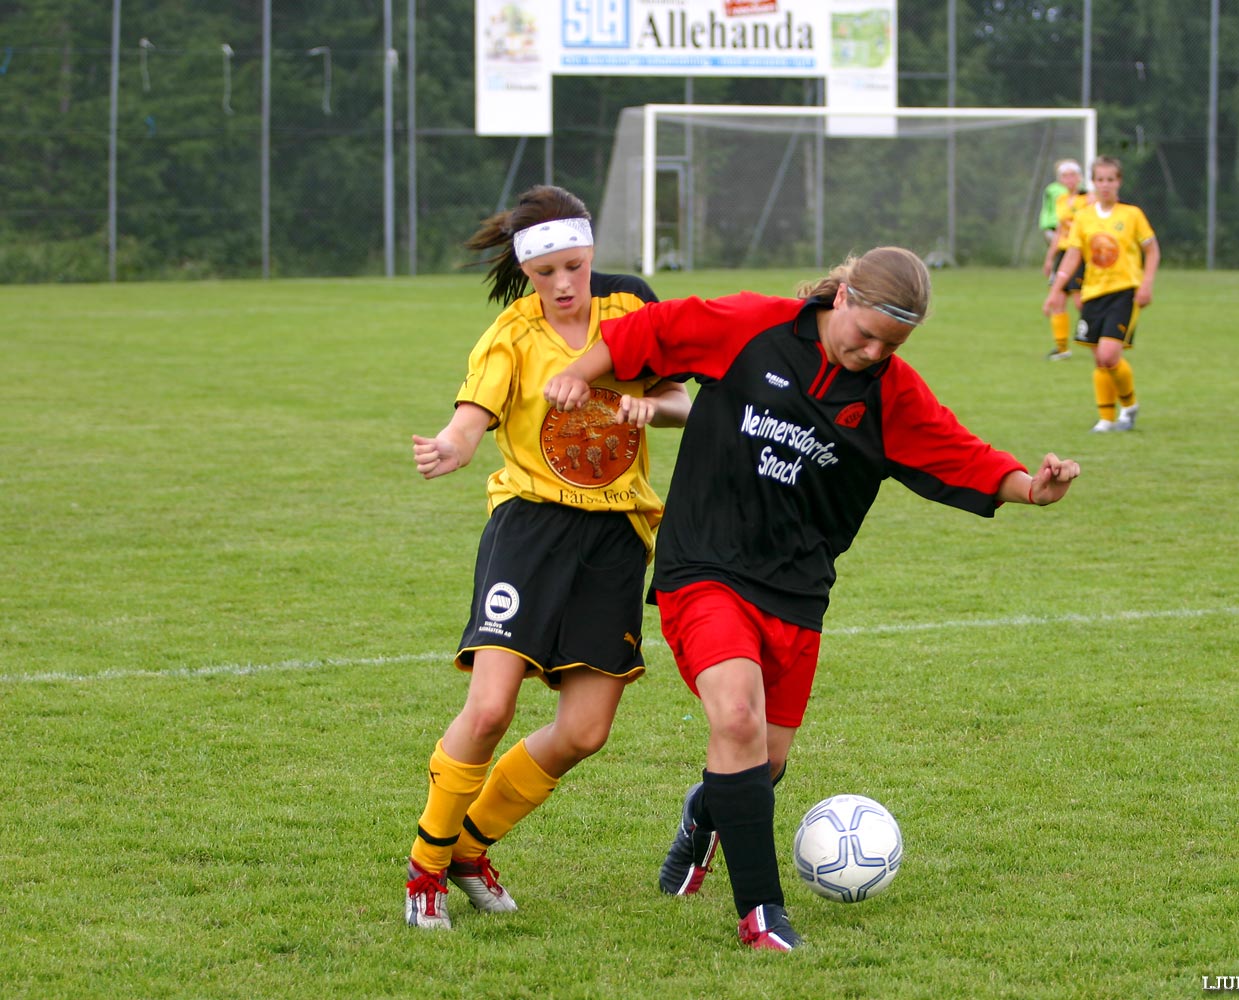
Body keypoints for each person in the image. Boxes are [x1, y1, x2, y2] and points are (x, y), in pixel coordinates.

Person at [543, 246, 1081, 951]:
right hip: (703, 563)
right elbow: (649, 333)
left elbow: (959, 454)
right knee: (735, 716)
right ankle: (762, 915)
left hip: (797, 589)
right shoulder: (751, 326)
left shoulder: (891, 393)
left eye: (891, 345)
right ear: (844, 296)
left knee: (762, 763)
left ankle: (704, 818)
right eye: (866, 332)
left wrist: (1030, 487)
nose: (872, 351)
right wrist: (576, 375)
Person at [403, 185, 691, 930]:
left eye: (575, 266)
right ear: (526, 273)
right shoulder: (511, 336)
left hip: (617, 536)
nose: (563, 285)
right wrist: (451, 447)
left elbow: (685, 402)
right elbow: (471, 422)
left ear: (593, 255)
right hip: (529, 529)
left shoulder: (630, 316)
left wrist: (647, 406)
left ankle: (470, 848)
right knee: (492, 705)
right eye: (545, 273)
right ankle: (426, 867)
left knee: (587, 730)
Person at [1043, 156, 1160, 432]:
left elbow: (1152, 250)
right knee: (1099, 359)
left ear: (1118, 182)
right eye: (1100, 180)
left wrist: (1147, 284)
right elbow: (1073, 256)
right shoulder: (1084, 217)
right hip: (1093, 292)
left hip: (1124, 292)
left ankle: (1129, 407)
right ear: (1092, 183)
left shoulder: (1132, 215)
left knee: (1108, 355)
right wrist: (1056, 290)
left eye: (1110, 179)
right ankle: (1107, 419)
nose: (1105, 185)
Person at [1041, 159, 1090, 361]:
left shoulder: (1088, 199)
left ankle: (1100, 336)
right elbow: (1061, 231)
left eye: (1072, 175)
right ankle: (1061, 348)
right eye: (1065, 176)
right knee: (1058, 300)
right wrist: (1050, 258)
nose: (1069, 179)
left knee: (1081, 302)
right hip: (1064, 254)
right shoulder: (1061, 201)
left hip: (1079, 254)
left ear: (1079, 177)